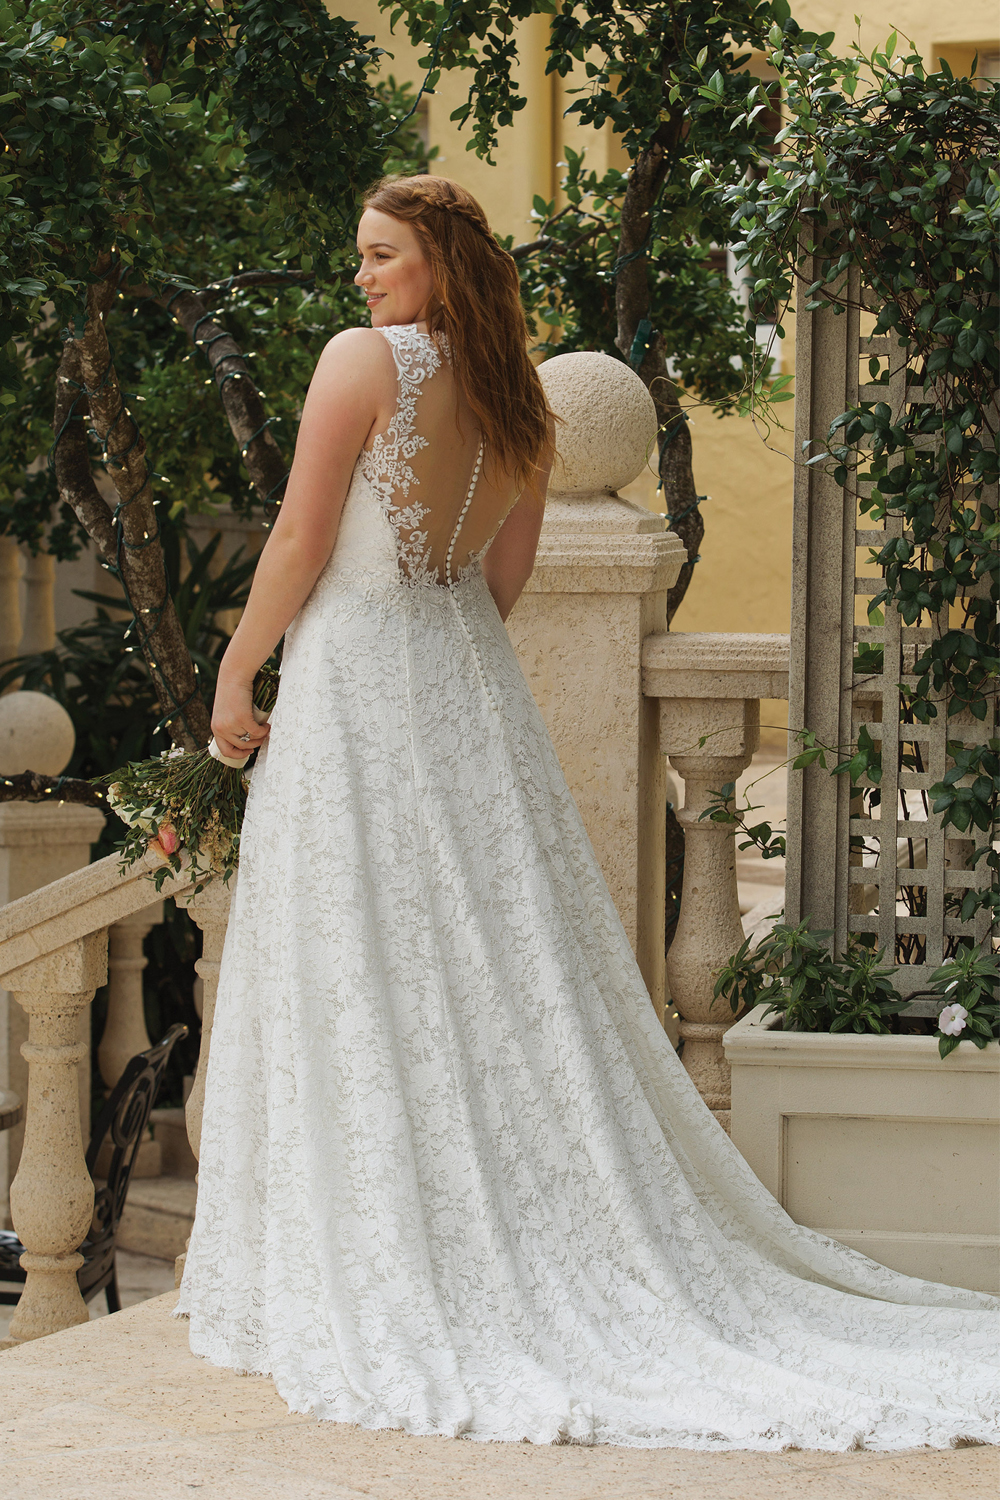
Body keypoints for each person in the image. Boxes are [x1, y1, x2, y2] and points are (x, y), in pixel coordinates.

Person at [177, 175, 998, 1450]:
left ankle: (396, 1242)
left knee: (361, 953)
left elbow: (296, 538)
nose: (362, 276)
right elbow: (502, 575)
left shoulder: (359, 362)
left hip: (355, 680)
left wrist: (235, 677)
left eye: (382, 255)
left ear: (440, 262)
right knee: (487, 964)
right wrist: (436, 648)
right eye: (361, 258)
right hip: (462, 683)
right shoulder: (518, 396)